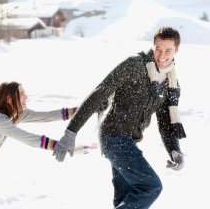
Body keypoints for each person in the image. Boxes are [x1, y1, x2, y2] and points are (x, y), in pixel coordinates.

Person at [54, 26, 187, 208]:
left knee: (125, 199)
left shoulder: (171, 84)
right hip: (113, 136)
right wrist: (71, 131)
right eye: (158, 49)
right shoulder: (134, 65)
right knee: (150, 187)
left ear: (177, 51)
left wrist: (174, 149)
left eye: (168, 50)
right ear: (153, 46)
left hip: (129, 142)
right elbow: (100, 93)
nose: (162, 55)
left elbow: (165, 121)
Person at [0, 81, 77, 209]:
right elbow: (26, 137)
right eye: (22, 94)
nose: (27, 97)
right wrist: (57, 145)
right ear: (9, 99)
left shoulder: (13, 115)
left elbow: (45, 116)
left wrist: (84, 110)